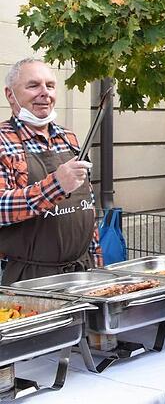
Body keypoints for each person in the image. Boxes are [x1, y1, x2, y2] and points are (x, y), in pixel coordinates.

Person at [0, 58, 100, 285]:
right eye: (33, 85)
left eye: (50, 85)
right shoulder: (3, 142)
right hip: (28, 280)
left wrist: (98, 263)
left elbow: (87, 205)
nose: (45, 93)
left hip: (82, 272)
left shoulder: (69, 139)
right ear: (10, 94)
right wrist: (56, 186)